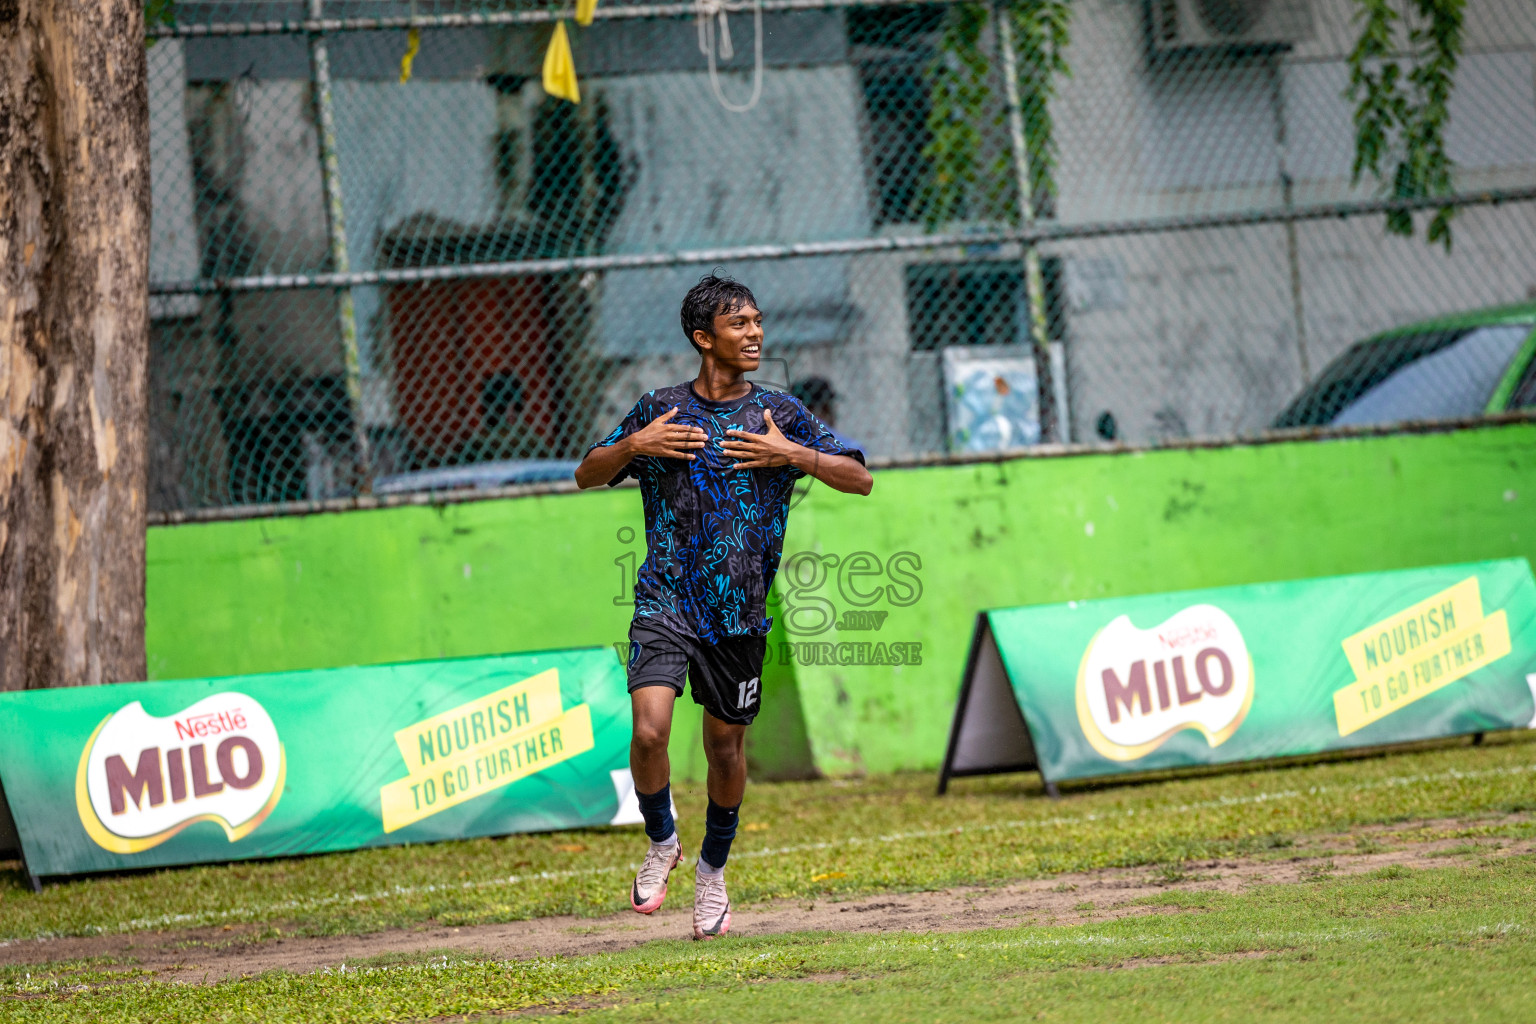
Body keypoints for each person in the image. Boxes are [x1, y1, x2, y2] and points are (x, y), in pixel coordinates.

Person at [574, 273, 872, 940]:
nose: (756, 333)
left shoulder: (782, 413)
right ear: (703, 338)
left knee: (724, 750)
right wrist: (633, 446)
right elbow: (587, 472)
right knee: (649, 730)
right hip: (666, 597)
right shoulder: (660, 408)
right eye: (740, 324)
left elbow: (860, 477)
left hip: (738, 614)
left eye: (758, 321)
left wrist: (789, 454)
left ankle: (712, 870)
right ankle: (661, 840)